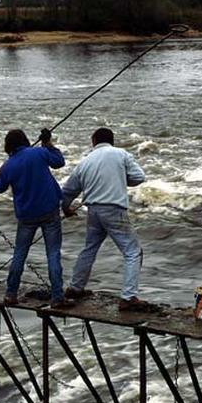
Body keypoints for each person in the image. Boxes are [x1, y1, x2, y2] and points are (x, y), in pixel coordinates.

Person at [61, 127, 149, 311]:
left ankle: (76, 288)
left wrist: (66, 209)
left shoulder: (85, 161)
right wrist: (121, 178)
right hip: (114, 210)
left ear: (94, 141)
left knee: (90, 248)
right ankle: (128, 296)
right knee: (133, 252)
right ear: (112, 140)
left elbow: (68, 190)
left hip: (93, 211)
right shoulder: (120, 154)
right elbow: (139, 177)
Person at [0, 128, 73, 309]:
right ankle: (58, 297)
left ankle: (10, 294)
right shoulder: (39, 152)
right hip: (49, 210)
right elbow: (59, 162)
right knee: (53, 253)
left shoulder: (8, 165)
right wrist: (48, 143)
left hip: (26, 215)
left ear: (8, 146)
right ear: (25, 140)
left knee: (20, 253)